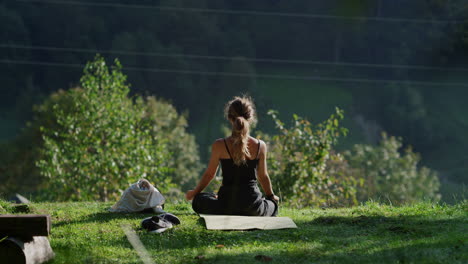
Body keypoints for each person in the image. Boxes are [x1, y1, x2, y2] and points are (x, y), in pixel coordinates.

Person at [185, 96, 279, 216]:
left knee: (199, 199)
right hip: (252, 207)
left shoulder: (219, 145)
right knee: (273, 205)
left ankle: (216, 198)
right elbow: (263, 176)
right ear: (250, 118)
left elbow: (210, 174)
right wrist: (271, 196)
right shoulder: (260, 146)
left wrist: (194, 193)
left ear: (230, 118)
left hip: (226, 205)